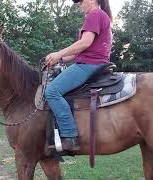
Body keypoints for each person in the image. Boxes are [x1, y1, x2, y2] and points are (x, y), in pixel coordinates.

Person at [44, 0, 113, 151]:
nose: (79, 5)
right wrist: (59, 59)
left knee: (51, 91)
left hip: (89, 64)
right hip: (92, 62)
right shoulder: (100, 15)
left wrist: (59, 53)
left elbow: (85, 43)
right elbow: (78, 52)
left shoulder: (94, 14)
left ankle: (70, 137)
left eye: (80, 1)